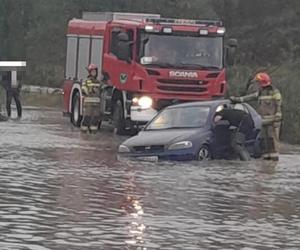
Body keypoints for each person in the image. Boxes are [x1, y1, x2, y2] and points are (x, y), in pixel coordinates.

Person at [230, 72, 282, 161]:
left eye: (258, 83)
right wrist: (237, 99)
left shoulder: (274, 92)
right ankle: (266, 163)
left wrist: (277, 117)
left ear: (262, 83)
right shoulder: (260, 92)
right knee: (263, 142)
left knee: (271, 141)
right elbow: (249, 97)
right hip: (263, 121)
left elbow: (279, 105)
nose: (257, 85)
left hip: (272, 122)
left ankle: (273, 164)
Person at [81, 64, 102, 133]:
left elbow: (101, 90)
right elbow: (83, 89)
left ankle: (93, 133)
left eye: (95, 72)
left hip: (96, 104)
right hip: (88, 104)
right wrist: (90, 90)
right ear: (90, 72)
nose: (94, 73)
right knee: (87, 117)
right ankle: (84, 132)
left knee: (95, 118)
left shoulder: (98, 82)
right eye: (92, 72)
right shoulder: (87, 81)